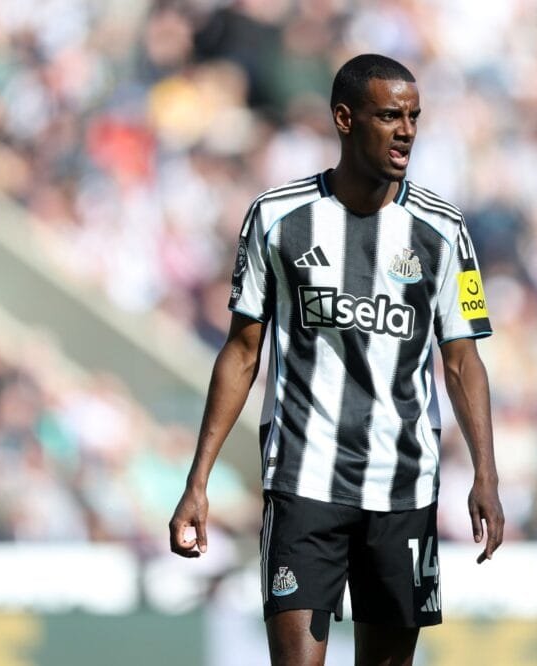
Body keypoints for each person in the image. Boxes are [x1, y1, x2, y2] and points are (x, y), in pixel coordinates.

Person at [169, 53, 504, 666]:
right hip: (303, 480)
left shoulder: (445, 231)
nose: (406, 131)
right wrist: (199, 480)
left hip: (403, 485)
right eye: (388, 116)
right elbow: (243, 351)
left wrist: (486, 473)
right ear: (344, 119)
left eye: (413, 117)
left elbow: (462, 359)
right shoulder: (276, 219)